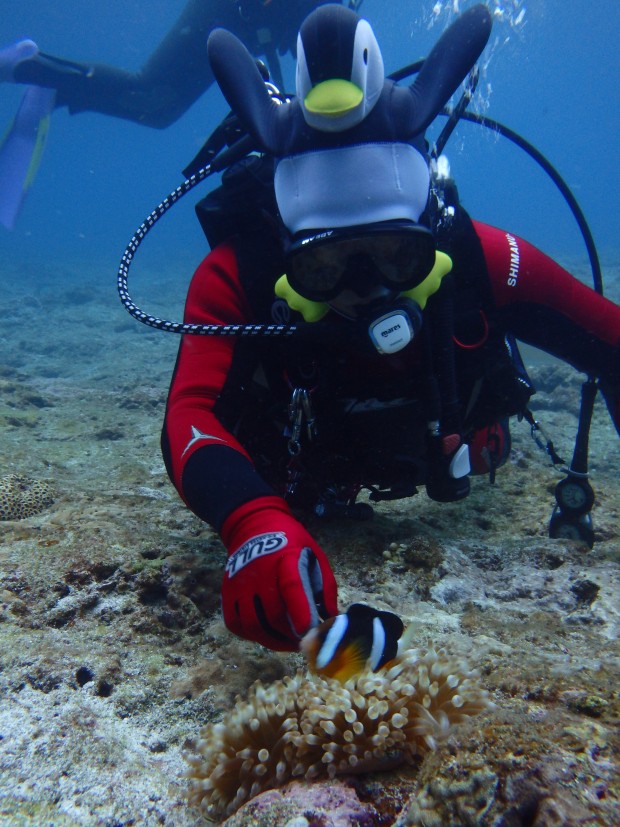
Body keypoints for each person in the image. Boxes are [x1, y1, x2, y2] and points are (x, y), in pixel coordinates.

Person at [156, 4, 620, 656]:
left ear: (431, 232)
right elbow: (188, 416)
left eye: (398, 257)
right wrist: (252, 520)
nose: (368, 289)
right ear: (286, 251)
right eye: (323, 265)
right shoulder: (238, 276)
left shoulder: (477, 258)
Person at [0, 1, 353, 228]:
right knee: (151, 100)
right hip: (228, 12)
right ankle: (28, 66)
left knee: (155, 108)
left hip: (240, 21)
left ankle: (60, 87)